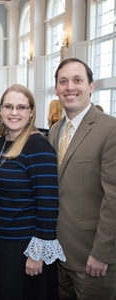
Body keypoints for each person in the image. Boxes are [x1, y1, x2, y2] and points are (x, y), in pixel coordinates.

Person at [0, 84, 65, 300]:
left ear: (31, 113)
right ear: (0, 111)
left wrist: (36, 253)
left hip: (23, 248)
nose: (14, 112)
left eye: (21, 107)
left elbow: (48, 204)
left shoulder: (38, 147)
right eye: (8, 106)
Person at [48, 58, 116, 299]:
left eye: (77, 80)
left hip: (92, 258)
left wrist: (103, 253)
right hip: (58, 255)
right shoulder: (55, 130)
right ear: (56, 89)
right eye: (63, 81)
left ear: (91, 86)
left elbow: (113, 199)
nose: (70, 87)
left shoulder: (110, 130)